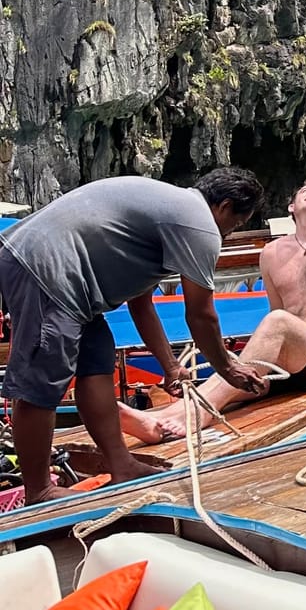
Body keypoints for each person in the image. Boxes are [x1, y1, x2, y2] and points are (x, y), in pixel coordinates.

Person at [0, 167, 268, 503]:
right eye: (237, 225)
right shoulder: (199, 225)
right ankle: (39, 488)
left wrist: (170, 365)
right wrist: (228, 369)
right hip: (46, 268)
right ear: (225, 206)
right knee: (44, 377)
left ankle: (121, 465)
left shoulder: (167, 213)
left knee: (96, 358)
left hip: (62, 277)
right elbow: (201, 314)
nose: (229, 234)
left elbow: (141, 304)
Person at [127, 177, 306, 438]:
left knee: (276, 323)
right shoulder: (270, 253)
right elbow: (277, 311)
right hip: (286, 364)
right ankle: (158, 421)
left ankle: (203, 411)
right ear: (291, 207)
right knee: (235, 368)